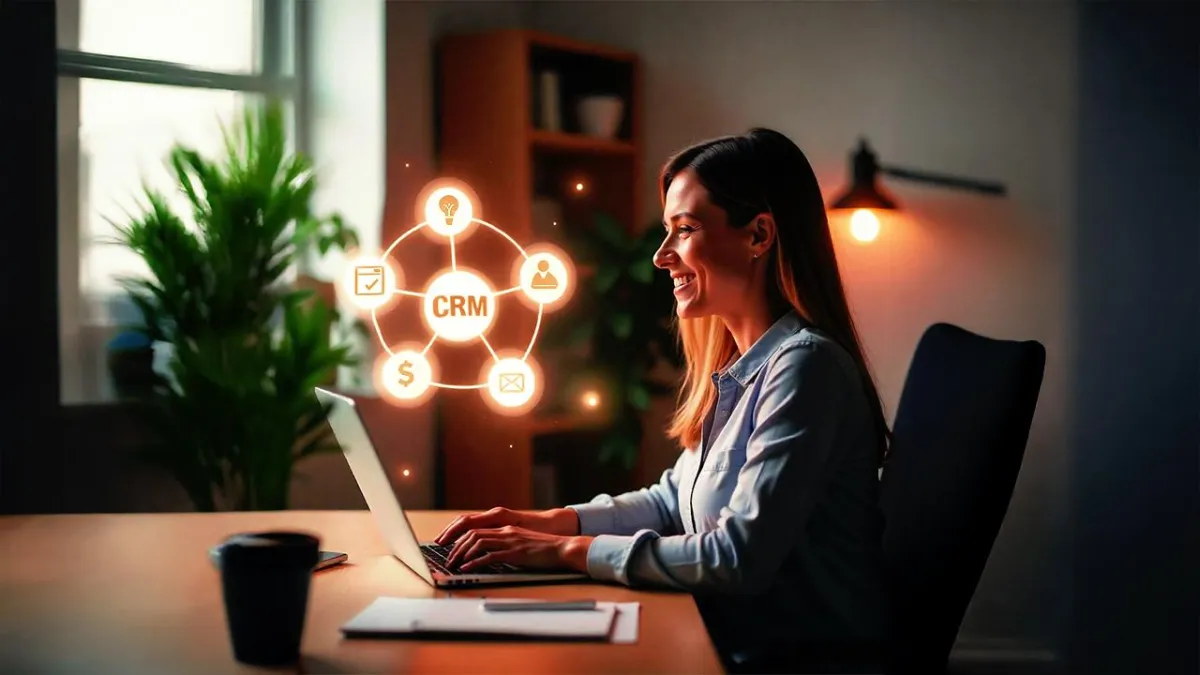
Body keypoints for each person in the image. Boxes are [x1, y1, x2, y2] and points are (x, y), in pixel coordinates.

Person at [436, 128, 892, 673]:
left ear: (759, 235)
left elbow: (735, 558)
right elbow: (672, 503)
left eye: (685, 230)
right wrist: (549, 522)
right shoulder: (744, 365)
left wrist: (563, 553)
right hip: (728, 634)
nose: (660, 257)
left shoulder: (806, 369)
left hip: (786, 658)